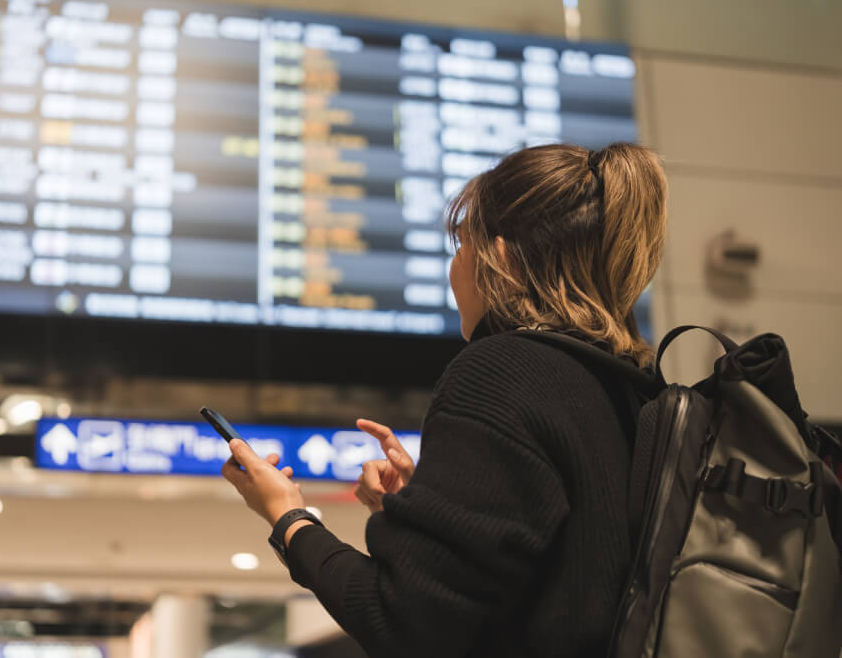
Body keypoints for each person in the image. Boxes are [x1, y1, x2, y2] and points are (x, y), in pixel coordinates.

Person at [222, 142, 668, 657]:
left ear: (498, 257)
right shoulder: (628, 384)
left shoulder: (502, 369)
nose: (454, 270)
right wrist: (427, 505)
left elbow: (402, 622)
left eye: (461, 247)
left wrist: (288, 517)